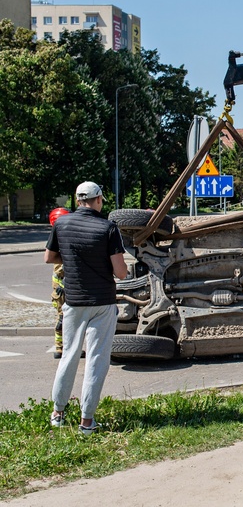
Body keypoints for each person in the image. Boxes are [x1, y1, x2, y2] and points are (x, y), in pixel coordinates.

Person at [45, 182, 127, 434]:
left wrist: (72, 260)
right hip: (102, 302)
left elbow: (49, 257)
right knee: (96, 359)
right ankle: (87, 421)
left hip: (74, 301)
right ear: (99, 199)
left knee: (68, 355)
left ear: (78, 200)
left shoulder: (61, 224)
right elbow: (121, 272)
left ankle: (58, 413)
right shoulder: (108, 227)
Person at [49, 207, 71, 359]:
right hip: (62, 288)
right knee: (64, 319)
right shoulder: (60, 239)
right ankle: (61, 348)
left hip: (61, 288)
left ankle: (62, 348)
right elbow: (61, 268)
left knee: (63, 318)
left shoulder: (58, 236)